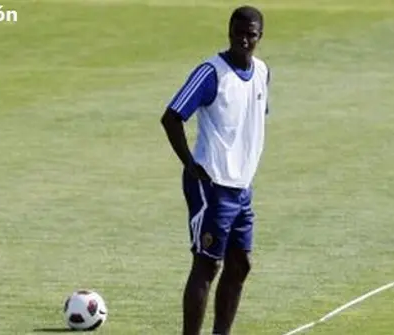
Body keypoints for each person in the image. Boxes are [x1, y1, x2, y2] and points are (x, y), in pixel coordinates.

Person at [160, 5, 271, 335]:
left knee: (241, 263)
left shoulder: (263, 72)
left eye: (251, 35)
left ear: (260, 37)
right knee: (208, 264)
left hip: (242, 187)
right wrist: (190, 165)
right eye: (239, 33)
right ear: (229, 32)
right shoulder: (211, 73)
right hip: (211, 184)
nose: (244, 40)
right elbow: (172, 116)